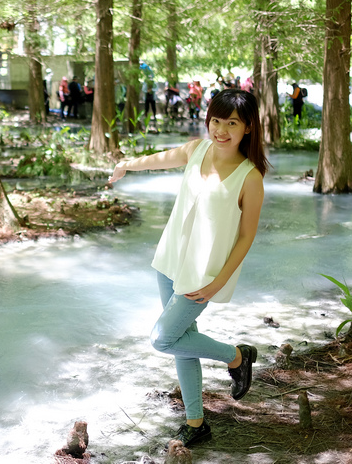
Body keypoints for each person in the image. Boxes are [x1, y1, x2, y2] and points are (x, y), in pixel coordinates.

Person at [108, 89, 269, 449]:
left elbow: (246, 238)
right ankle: (196, 423)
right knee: (182, 343)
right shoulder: (197, 149)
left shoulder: (250, 177)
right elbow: (160, 159)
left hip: (203, 274)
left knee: (163, 338)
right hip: (169, 260)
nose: (221, 129)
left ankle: (238, 356)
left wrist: (218, 283)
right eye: (216, 120)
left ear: (248, 128)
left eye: (232, 123)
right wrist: (126, 165)